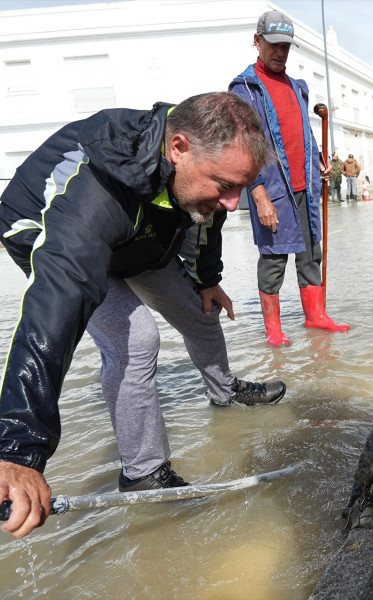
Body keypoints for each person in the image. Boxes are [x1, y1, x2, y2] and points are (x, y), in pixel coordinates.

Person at [0, 91, 288, 539]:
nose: (235, 202)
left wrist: (208, 277)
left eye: (241, 185)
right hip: (48, 229)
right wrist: (18, 448)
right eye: (224, 184)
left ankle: (225, 391)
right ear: (178, 149)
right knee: (136, 340)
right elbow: (53, 312)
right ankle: (144, 472)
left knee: (201, 309)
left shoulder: (203, 171)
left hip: (141, 233)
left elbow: (206, 218)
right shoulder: (92, 196)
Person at [229, 9, 349, 347]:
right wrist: (259, 195)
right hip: (272, 188)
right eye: (274, 45)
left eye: (286, 46)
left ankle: (315, 316)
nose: (280, 52)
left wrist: (320, 161)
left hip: (305, 185)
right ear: (257, 41)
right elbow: (243, 149)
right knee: (273, 256)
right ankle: (274, 330)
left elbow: (303, 133)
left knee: (312, 252)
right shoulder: (245, 89)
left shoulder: (298, 87)